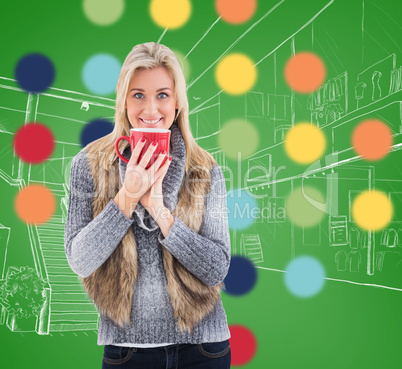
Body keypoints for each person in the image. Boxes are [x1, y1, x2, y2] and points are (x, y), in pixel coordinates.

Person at [64, 42, 232, 368]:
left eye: (163, 95)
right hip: (127, 352)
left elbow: (216, 269)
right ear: (123, 101)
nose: (151, 110)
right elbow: (80, 261)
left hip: (204, 349)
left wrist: (159, 209)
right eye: (138, 95)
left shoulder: (205, 169)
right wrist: (126, 197)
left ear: (178, 103)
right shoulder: (87, 165)